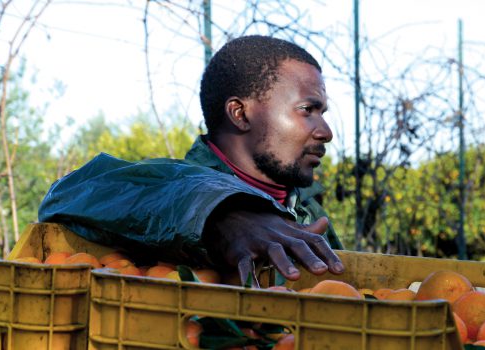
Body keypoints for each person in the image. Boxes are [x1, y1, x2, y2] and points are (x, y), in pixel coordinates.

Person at [38, 35, 344, 286]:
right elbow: (66, 195)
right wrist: (220, 214)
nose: (326, 132)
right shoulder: (173, 189)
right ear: (241, 113)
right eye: (307, 110)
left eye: (323, 113)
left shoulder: (310, 216)